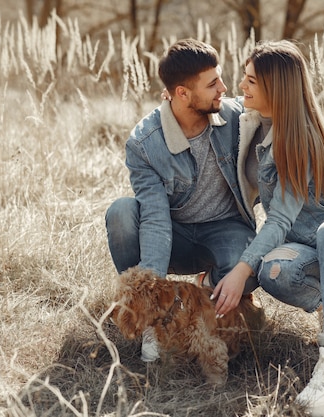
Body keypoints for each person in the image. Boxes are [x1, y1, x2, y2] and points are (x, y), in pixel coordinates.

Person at [210, 40, 324, 417]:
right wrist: (169, 100)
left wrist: (240, 270)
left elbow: (279, 221)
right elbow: (203, 104)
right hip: (305, 248)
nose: (241, 87)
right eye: (243, 79)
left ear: (277, 89)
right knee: (273, 269)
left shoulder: (299, 138)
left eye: (251, 81)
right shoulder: (251, 121)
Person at [105, 39, 260, 362]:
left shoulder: (235, 115)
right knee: (121, 213)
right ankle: (148, 316)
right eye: (212, 83)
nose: (224, 87)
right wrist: (153, 296)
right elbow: (156, 218)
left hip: (224, 228)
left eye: (219, 78)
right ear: (182, 94)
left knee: (247, 266)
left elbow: (288, 132)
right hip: (175, 234)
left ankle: (212, 294)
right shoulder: (145, 143)